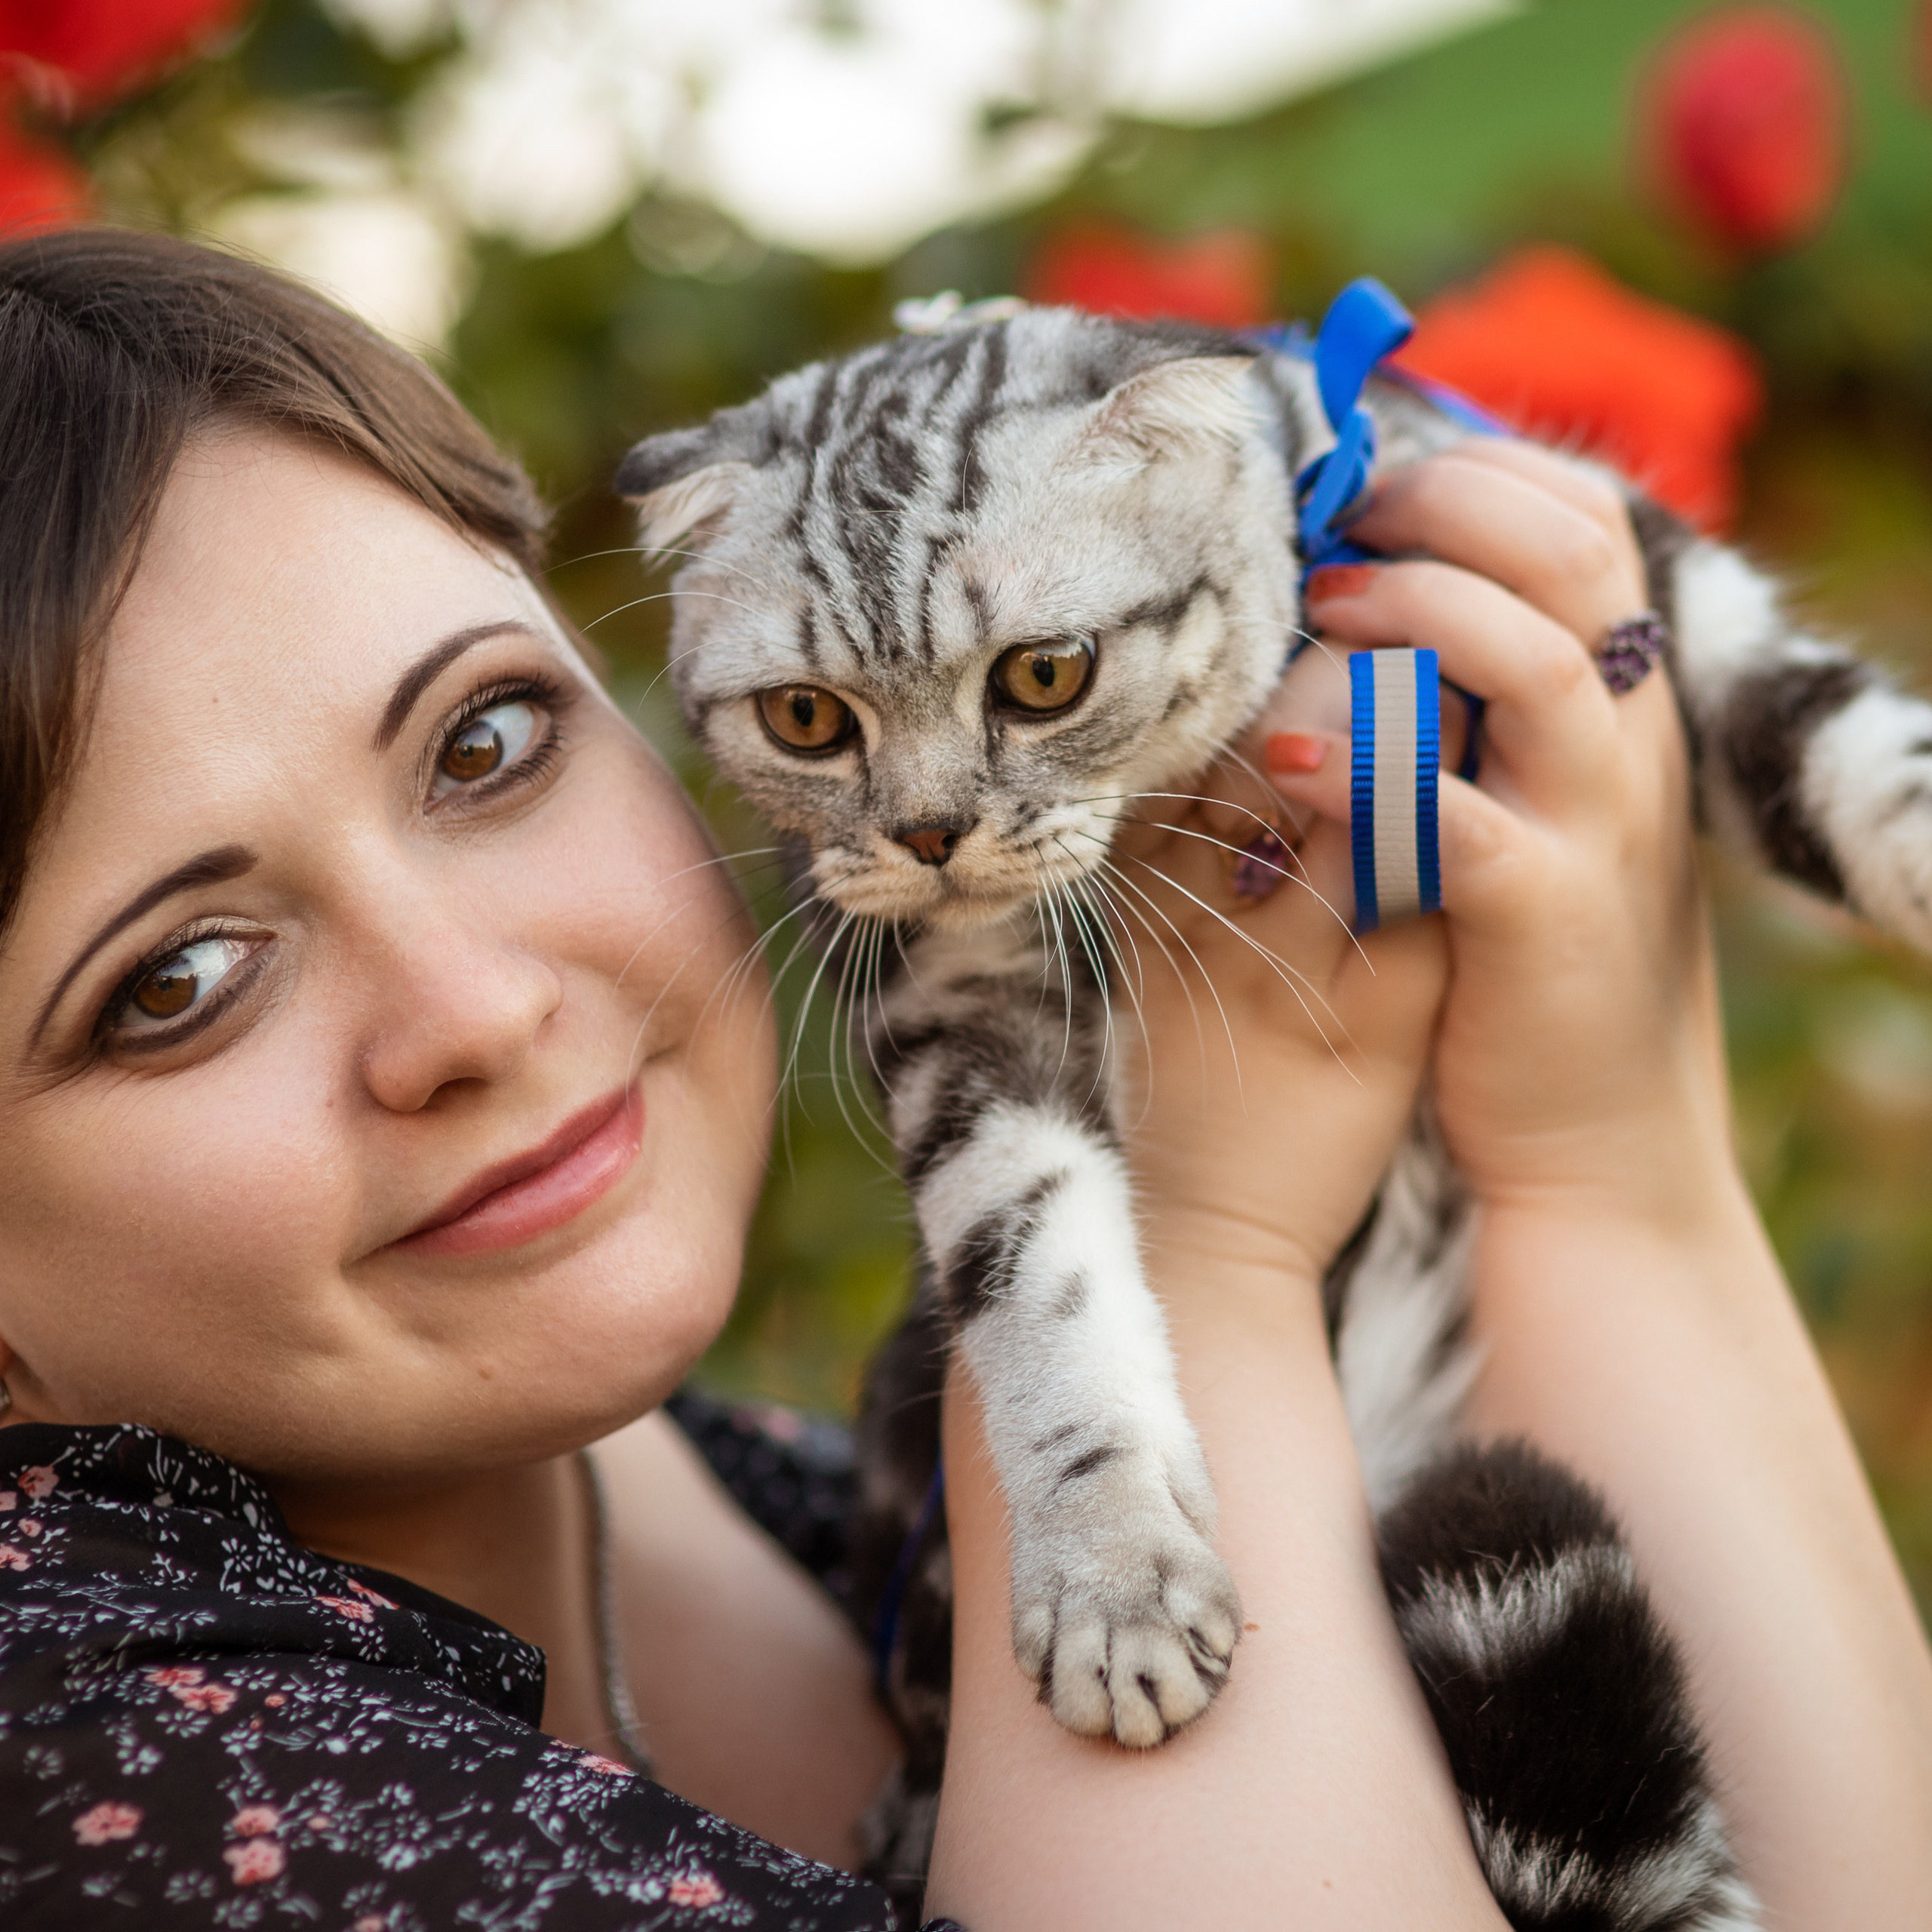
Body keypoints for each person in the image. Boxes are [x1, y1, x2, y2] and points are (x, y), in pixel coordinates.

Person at [0, 227, 1924, 1932]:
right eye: (175, 979)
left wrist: (1596, 1153)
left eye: (487, 740)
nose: (477, 1014)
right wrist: (1194, 1236)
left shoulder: (748, 1491)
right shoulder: (119, 1784)